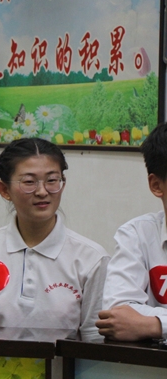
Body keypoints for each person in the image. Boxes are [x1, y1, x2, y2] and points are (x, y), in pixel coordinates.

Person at [0, 138, 109, 340]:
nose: (42, 192)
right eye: (29, 182)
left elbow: (94, 339)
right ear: (4, 190)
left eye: (52, 180)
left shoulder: (92, 259)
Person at [96, 123, 167, 341]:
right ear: (156, 185)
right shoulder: (136, 234)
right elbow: (118, 312)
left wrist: (155, 325)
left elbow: (136, 320)